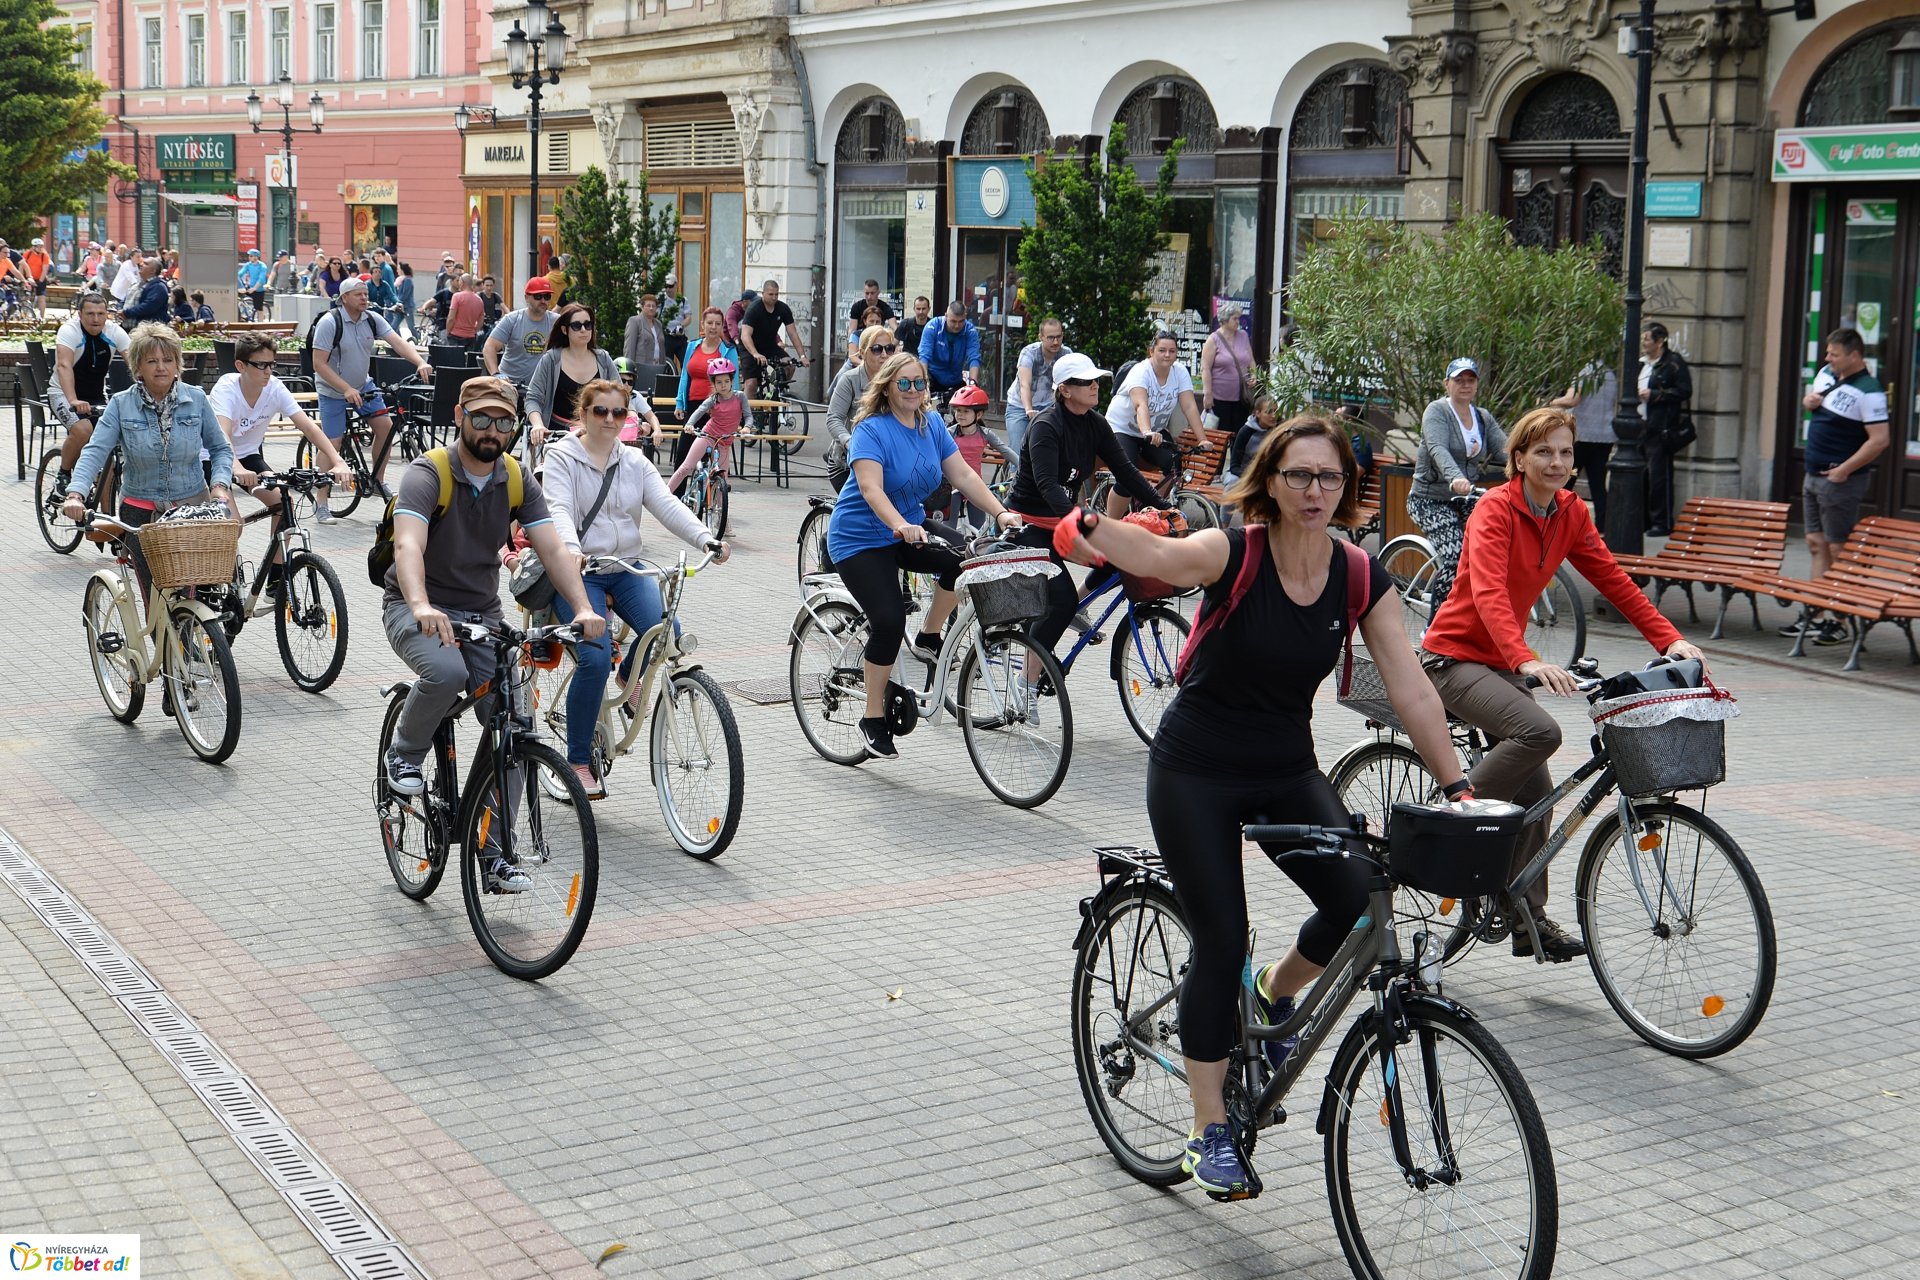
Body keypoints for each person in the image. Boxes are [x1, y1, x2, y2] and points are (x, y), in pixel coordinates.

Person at [1050, 413, 1469, 1200]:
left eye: (1331, 477)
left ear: (1349, 487)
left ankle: (1272, 990)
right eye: (1299, 476)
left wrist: (1457, 788)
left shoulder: (1357, 573)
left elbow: (1411, 687)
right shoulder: (1233, 550)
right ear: (1270, 483)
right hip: (1195, 771)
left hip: (1284, 766)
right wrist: (1097, 525)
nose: (1315, 491)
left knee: (1356, 898)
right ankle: (1209, 1128)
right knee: (1220, 932)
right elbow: (1161, 558)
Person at [1421, 406, 1707, 961]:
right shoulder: (1494, 511)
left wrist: (1669, 640)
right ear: (1520, 458)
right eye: (1544, 452)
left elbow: (1615, 581)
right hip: (1453, 659)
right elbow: (1487, 594)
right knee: (1540, 733)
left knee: (1537, 798)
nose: (1557, 462)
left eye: (1566, 452)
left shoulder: (1570, 513)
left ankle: (1526, 916)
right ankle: (1446, 820)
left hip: (1503, 663)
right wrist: (1525, 658)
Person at [380, 376, 605, 893]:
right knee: (446, 670)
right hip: (415, 607)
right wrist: (419, 604)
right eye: (481, 418)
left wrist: (583, 607)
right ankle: (405, 751)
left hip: (481, 614)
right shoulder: (427, 473)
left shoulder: (516, 476)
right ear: (459, 415)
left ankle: (495, 855)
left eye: (503, 421)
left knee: (512, 721)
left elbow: (551, 548)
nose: (492, 430)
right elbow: (408, 546)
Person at [531, 377, 728, 795]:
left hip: (624, 566)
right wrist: (570, 550)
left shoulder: (635, 461)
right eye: (600, 411)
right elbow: (558, 509)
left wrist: (705, 537)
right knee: (594, 658)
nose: (609, 419)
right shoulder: (561, 457)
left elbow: (666, 504)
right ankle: (579, 761)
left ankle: (629, 677)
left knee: (666, 632)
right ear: (582, 414)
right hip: (577, 571)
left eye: (618, 412)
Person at [824, 352, 1023, 760]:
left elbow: (964, 475)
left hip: (907, 528)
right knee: (889, 620)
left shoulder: (931, 424)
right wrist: (900, 524)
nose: (914, 391)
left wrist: (1001, 512)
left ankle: (930, 635)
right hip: (860, 538)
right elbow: (871, 490)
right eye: (904, 383)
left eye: (920, 383)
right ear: (887, 387)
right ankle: (872, 717)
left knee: (960, 563)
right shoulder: (870, 430)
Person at [61, 324, 236, 615]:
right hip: (140, 511)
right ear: (138, 367)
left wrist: (219, 485)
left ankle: (203, 645)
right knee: (156, 597)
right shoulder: (121, 404)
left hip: (192, 507)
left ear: (177, 364)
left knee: (202, 591)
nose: (161, 367)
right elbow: (95, 451)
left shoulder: (197, 399)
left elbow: (220, 448)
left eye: (168, 360)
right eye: (152, 361)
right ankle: (162, 653)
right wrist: (76, 494)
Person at [1006, 351, 1174, 653]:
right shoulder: (1046, 425)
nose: (1095, 385)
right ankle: (1027, 682)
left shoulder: (1095, 423)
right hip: (1029, 525)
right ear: (1065, 390)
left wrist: (1164, 506)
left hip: (1065, 521)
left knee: (1125, 558)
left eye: (1096, 380)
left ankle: (1079, 607)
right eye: (1086, 382)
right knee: (1061, 600)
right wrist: (1082, 521)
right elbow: (1046, 485)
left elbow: (1126, 471)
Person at [212, 334, 351, 593]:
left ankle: (276, 580)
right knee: (233, 525)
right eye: (260, 365)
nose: (268, 371)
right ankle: (224, 581)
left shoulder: (274, 387)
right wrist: (237, 469)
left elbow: (308, 427)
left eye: (271, 364)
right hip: (215, 455)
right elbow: (222, 435)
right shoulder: (226, 387)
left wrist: (338, 461)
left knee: (282, 504)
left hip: (248, 456)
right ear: (241, 366)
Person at [1790, 326, 1890, 644]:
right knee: (1816, 543)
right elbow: (1814, 407)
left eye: (1834, 354)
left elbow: (1879, 441)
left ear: (1854, 355)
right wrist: (1808, 401)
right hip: (1813, 475)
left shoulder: (1870, 390)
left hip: (1839, 482)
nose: (1827, 358)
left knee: (1838, 547)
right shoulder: (1826, 375)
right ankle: (1816, 613)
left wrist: (1845, 470)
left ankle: (1840, 619)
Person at [312, 275, 435, 515]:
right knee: (332, 443)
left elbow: (397, 343)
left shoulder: (372, 319)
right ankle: (322, 501)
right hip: (333, 391)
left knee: (386, 429)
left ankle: (378, 480)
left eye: (366, 294)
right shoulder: (330, 322)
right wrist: (345, 388)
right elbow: (319, 364)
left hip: (364, 386)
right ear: (344, 298)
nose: (364, 298)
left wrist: (419, 362)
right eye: (358, 294)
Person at [1409, 356, 1507, 610]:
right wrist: (1455, 478)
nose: (1465, 385)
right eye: (1459, 380)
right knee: (1455, 557)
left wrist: (1531, 469)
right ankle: (1434, 629)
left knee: (1502, 540)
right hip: (1429, 500)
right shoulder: (1437, 411)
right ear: (1447, 384)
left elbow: (1507, 449)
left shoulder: (1482, 418)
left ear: (1476, 385)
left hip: (1466, 498)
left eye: (1470, 380)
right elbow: (1437, 448)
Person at [1102, 331, 1208, 519]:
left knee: (1174, 463)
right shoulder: (1141, 371)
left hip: (1153, 432)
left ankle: (1151, 509)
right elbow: (1140, 404)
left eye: (1172, 351)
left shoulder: (1179, 372)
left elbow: (1190, 406)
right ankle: (1111, 524)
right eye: (1162, 350)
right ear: (1151, 351)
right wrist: (1147, 431)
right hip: (1123, 429)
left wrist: (1202, 439)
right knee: (1127, 475)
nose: (1167, 355)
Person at [46, 294, 131, 496]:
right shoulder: (70, 330)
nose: (96, 319)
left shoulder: (114, 332)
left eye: (101, 314)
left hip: (96, 395)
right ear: (80, 314)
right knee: (83, 430)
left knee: (108, 449)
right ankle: (64, 474)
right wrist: (73, 400)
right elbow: (64, 365)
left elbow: (134, 359)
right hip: (63, 393)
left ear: (107, 315)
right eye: (90, 314)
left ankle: (105, 518)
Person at [525, 302, 620, 457]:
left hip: (597, 434)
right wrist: (538, 425)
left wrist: (633, 415)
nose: (583, 330)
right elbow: (533, 398)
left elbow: (619, 395)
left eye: (588, 325)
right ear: (564, 330)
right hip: (558, 436)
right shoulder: (551, 359)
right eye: (576, 326)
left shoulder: (603, 358)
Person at [665, 357, 753, 494]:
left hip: (725, 442)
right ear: (713, 384)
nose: (723, 385)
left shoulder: (740, 397)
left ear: (732, 382)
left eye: (726, 381)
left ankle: (717, 511)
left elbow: (748, 415)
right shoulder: (713, 400)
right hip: (708, 436)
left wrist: (747, 427)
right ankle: (664, 494)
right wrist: (689, 424)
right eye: (719, 382)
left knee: (722, 479)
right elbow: (698, 411)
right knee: (686, 467)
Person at [1550, 365, 1620, 532]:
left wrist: (1550, 401)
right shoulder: (1610, 374)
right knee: (1598, 484)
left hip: (1582, 435)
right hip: (1604, 436)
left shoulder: (1586, 371)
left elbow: (1572, 400)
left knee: (1565, 480)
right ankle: (1603, 526)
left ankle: (1556, 522)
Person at [826, 326, 896, 491]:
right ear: (863, 352)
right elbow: (833, 418)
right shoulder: (850, 379)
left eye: (889, 349)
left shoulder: (898, 380)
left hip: (885, 461)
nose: (884, 354)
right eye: (877, 349)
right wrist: (849, 442)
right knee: (867, 507)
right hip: (846, 464)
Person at [1638, 322, 1691, 537]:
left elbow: (1684, 391)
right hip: (1639, 425)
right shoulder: (1641, 362)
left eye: (1647, 339)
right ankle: (1643, 520)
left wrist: (1656, 396)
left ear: (1660, 342)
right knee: (1640, 475)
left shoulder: (1673, 363)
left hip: (1661, 428)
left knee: (1659, 477)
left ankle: (1662, 522)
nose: (1643, 342)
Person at [1003, 317, 1070, 474]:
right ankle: (1015, 486)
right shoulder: (1029, 353)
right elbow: (1025, 384)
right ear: (1041, 337)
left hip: (1048, 407)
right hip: (1019, 407)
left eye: (1059, 337)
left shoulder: (1066, 354)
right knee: (1018, 455)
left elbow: (1071, 386)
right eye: (1050, 337)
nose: (1055, 342)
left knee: (1053, 450)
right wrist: (1028, 409)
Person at [939, 384, 1009, 528]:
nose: (960, 414)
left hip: (975, 485)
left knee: (980, 529)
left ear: (979, 414)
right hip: (952, 487)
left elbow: (1006, 451)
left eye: (965, 411)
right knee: (948, 529)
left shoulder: (985, 434)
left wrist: (1023, 467)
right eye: (957, 410)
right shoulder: (949, 433)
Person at [483, 276, 558, 390]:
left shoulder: (557, 321)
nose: (543, 301)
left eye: (547, 296)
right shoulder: (512, 319)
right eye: (538, 296)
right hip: (510, 386)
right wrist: (496, 375)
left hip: (542, 387)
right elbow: (489, 347)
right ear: (526, 298)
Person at [738, 278, 808, 399]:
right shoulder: (754, 309)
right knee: (751, 383)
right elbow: (745, 335)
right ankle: (748, 414)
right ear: (763, 293)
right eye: (770, 294)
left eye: (776, 294)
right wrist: (755, 354)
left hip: (769, 345)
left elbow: (793, 334)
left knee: (790, 365)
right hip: (750, 347)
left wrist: (802, 356)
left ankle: (775, 395)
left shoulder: (783, 309)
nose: (774, 297)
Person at [1202, 304, 1256, 458]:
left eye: (1239, 318)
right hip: (1220, 397)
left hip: (1242, 396)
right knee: (1219, 435)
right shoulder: (1213, 339)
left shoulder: (1243, 336)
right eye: (1235, 318)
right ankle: (1216, 471)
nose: (1238, 321)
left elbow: (1251, 360)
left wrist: (1254, 375)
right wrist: (1207, 393)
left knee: (1240, 434)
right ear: (1224, 320)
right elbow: (1205, 368)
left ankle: (1236, 467)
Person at [917, 301, 981, 396]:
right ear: (946, 316)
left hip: (955, 379)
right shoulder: (932, 326)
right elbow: (924, 357)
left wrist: (973, 384)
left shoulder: (970, 330)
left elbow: (974, 358)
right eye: (953, 321)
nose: (957, 325)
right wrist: (924, 382)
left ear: (965, 317)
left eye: (961, 321)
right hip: (933, 377)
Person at [1223, 392, 1281, 485]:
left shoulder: (1279, 430)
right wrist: (1251, 476)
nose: (1274, 416)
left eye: (1276, 411)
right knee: (1233, 482)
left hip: (1266, 474)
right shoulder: (1245, 432)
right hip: (1243, 473)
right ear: (1258, 413)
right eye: (1269, 412)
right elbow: (1234, 466)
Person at [844, 279, 895, 351]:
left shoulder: (885, 307)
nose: (869, 296)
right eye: (867, 293)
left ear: (878, 293)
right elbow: (852, 329)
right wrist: (851, 345)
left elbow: (894, 326)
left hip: (878, 339)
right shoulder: (857, 306)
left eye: (872, 293)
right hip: (860, 339)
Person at [623, 293, 668, 369]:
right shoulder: (635, 321)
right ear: (642, 307)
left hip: (658, 367)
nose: (651, 308)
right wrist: (629, 368)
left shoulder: (658, 324)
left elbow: (662, 347)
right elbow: (629, 348)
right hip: (641, 367)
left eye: (653, 306)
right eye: (648, 305)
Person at [121, 257, 171, 325]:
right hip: (128, 328)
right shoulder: (136, 285)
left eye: (146, 264)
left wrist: (126, 313)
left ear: (153, 271)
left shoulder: (158, 287)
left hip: (147, 331)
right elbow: (124, 300)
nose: (141, 264)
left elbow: (148, 306)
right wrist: (119, 308)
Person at [444, 274, 486, 352]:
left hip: (456, 335)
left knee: (455, 361)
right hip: (471, 337)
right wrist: (474, 330)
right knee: (467, 361)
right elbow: (481, 320)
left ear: (462, 283)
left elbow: (451, 318)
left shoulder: (457, 296)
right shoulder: (479, 300)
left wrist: (448, 331)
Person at [892, 295, 932, 363]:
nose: (921, 312)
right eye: (918, 309)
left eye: (924, 309)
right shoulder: (905, 324)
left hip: (928, 363)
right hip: (908, 362)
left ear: (929, 309)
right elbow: (894, 344)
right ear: (914, 309)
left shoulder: (933, 326)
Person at [22, 238, 53, 319]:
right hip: (29, 278)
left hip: (40, 279)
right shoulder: (27, 254)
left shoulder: (44, 255)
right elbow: (22, 265)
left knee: (41, 298)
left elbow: (44, 270)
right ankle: (25, 314)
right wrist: (22, 278)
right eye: (38, 247)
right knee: (27, 296)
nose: (40, 248)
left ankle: (42, 317)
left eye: (41, 246)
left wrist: (39, 281)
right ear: (33, 247)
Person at [237, 249, 269, 317]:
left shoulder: (262, 266)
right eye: (249, 256)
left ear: (256, 257)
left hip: (258, 289)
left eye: (251, 256)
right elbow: (240, 274)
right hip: (250, 286)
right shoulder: (248, 265)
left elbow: (261, 279)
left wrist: (254, 288)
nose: (249, 257)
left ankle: (260, 325)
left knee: (259, 309)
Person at [394, 262, 417, 337]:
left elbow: (405, 294)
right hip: (401, 306)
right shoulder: (400, 280)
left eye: (398, 269)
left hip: (407, 306)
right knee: (394, 326)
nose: (397, 271)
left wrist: (399, 302)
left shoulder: (407, 280)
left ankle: (418, 339)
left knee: (411, 326)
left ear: (402, 270)